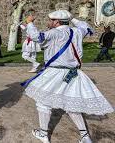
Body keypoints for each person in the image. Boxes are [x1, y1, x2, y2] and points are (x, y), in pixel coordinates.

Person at [22, 11, 114, 143]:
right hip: (74, 73)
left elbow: (37, 36)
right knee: (71, 103)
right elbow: (88, 28)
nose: (48, 22)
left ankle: (43, 134)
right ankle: (85, 137)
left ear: (56, 22)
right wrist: (72, 18)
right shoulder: (77, 32)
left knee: (43, 102)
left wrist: (30, 22)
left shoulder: (54, 33)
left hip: (55, 73)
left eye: (50, 20)